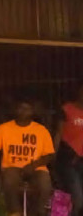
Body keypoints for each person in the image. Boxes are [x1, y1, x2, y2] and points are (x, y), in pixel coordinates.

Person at [57, 82, 83, 216]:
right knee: (77, 199)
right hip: (69, 158)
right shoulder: (66, 109)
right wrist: (52, 155)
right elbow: (58, 134)